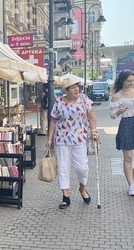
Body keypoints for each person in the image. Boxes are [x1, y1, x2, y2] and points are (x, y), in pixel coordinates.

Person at [46, 77, 99, 209]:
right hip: (62, 139)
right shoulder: (58, 102)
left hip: (80, 138)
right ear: (66, 90)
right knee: (63, 167)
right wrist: (49, 139)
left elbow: (91, 117)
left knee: (82, 167)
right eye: (73, 87)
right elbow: (53, 121)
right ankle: (65, 196)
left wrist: (94, 131)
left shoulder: (83, 99)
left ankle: (82, 189)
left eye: (77, 86)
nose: (76, 89)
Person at [109, 70, 134, 196]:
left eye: (133, 80)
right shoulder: (117, 95)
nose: (131, 83)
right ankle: (131, 185)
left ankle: (133, 174)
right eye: (129, 81)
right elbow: (112, 114)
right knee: (128, 157)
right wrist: (119, 112)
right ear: (122, 81)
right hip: (126, 124)